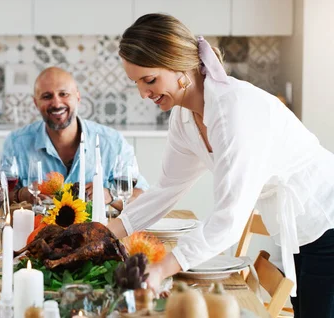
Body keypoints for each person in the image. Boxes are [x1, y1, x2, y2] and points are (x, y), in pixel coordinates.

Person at [107, 13, 334, 317]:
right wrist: (107, 231)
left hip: (326, 216)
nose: (143, 94)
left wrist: (163, 269)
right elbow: (166, 189)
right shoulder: (185, 118)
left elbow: (228, 220)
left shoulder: (233, 112)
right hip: (301, 228)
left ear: (178, 65)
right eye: (137, 83)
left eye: (149, 80)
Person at [1, 67, 150, 212]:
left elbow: (145, 199)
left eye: (64, 94)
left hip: (96, 233)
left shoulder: (112, 142)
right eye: (47, 96)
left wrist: (111, 196)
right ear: (36, 103)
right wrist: (21, 195)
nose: (57, 103)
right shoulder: (16, 143)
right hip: (36, 232)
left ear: (78, 97)